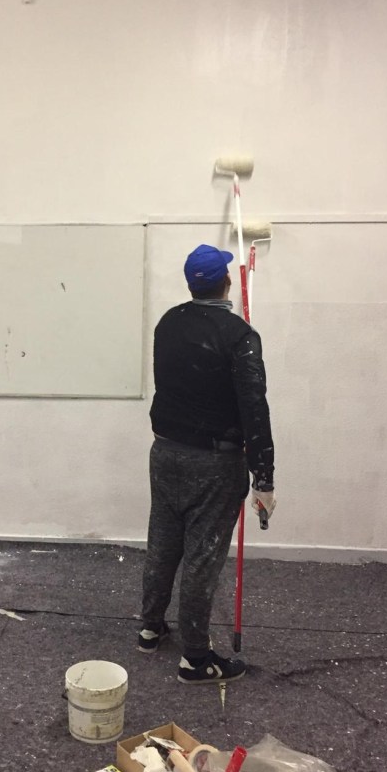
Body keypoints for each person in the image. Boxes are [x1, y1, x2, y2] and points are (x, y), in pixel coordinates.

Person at [138, 244, 275, 683]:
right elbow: (254, 408)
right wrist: (264, 478)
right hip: (215, 464)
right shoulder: (239, 335)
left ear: (191, 283)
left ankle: (150, 628)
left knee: (163, 543)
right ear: (227, 281)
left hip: (165, 453)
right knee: (202, 558)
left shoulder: (169, 323)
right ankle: (195, 659)